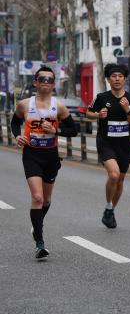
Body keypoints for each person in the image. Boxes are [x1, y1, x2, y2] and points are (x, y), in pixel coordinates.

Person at [10, 66, 77, 259]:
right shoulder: (24, 105)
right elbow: (15, 123)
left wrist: (55, 131)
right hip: (32, 155)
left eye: (50, 80)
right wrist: (17, 136)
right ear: (35, 82)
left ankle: (36, 225)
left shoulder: (59, 107)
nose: (46, 83)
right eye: (42, 79)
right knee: (38, 198)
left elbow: (74, 130)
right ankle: (40, 243)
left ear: (54, 85)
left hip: (51, 156)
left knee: (46, 200)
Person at [86, 64, 130, 229]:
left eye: (120, 76)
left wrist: (127, 110)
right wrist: (98, 114)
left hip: (124, 145)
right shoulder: (101, 97)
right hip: (106, 143)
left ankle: (110, 210)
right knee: (114, 175)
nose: (117, 79)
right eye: (114, 76)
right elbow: (88, 113)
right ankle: (109, 206)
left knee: (120, 180)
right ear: (109, 79)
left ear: (125, 79)